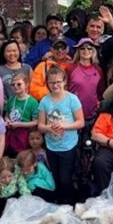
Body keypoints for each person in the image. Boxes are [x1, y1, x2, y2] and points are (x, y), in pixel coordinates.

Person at [37, 66, 85, 205]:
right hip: (52, 146)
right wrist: (48, 128)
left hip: (68, 145)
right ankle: (58, 202)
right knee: (56, 178)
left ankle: (70, 203)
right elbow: (40, 126)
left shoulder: (72, 99)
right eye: (52, 83)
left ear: (64, 81)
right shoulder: (45, 101)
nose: (55, 85)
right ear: (48, 84)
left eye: (58, 82)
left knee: (66, 179)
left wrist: (64, 126)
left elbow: (80, 122)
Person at [66, 37, 106, 124]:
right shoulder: (70, 68)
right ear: (78, 51)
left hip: (92, 115)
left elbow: (100, 91)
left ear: (93, 51)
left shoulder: (98, 70)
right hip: (72, 115)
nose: (86, 50)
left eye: (89, 48)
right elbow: (65, 89)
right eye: (82, 48)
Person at [3, 73, 39, 157]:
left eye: (19, 84)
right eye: (13, 84)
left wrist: (20, 124)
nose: (15, 86)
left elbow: (36, 122)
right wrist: (7, 120)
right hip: (10, 134)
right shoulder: (11, 100)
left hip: (24, 136)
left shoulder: (33, 102)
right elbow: (6, 115)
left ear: (26, 84)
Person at [0, 39, 32, 104]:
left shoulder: (27, 68)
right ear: (3, 53)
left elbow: (31, 89)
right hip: (5, 107)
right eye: (8, 51)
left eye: (14, 50)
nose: (12, 53)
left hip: (25, 106)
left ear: (19, 52)